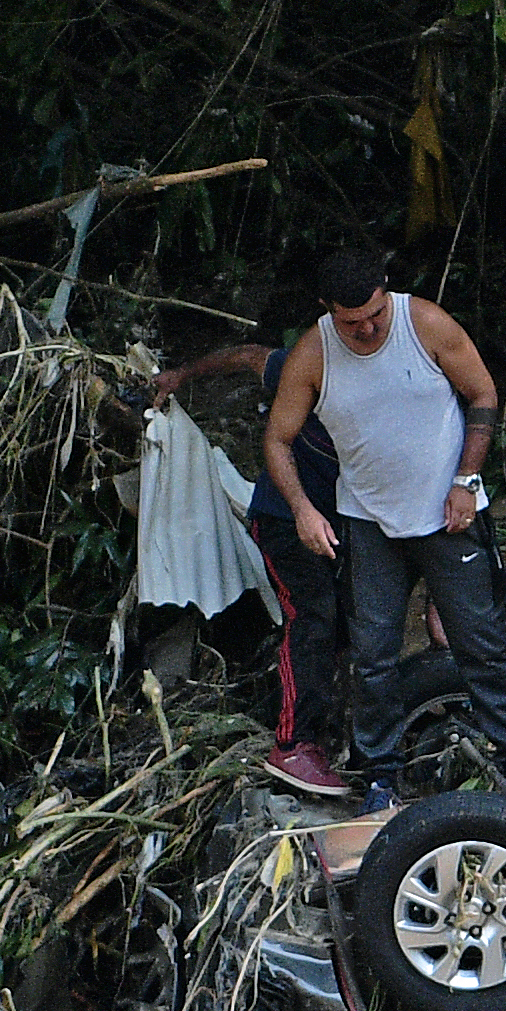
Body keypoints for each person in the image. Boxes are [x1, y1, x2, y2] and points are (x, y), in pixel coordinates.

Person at [262, 248, 506, 820]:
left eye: (375, 314)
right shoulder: (313, 353)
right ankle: (380, 774)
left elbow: (482, 396)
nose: (368, 329)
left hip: (449, 512)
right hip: (368, 520)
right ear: (327, 311)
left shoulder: (424, 323)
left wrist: (466, 478)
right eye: (351, 322)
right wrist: (305, 510)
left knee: (480, 642)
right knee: (374, 653)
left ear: (386, 292)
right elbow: (277, 440)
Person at [152, 340, 347, 798]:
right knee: (311, 613)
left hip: (344, 524)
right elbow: (244, 356)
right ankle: (293, 744)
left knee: (346, 621)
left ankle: (326, 725)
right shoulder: (308, 370)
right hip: (285, 518)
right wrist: (180, 376)